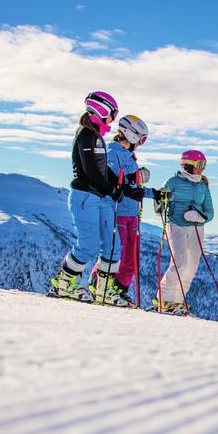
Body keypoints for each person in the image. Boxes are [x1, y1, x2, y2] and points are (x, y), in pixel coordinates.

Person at [49, 91, 126, 303]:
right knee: (88, 244)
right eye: (113, 113)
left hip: (99, 198)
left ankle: (102, 290)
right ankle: (64, 284)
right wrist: (111, 189)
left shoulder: (97, 136)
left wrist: (120, 186)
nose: (114, 118)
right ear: (103, 110)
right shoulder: (86, 134)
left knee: (112, 245)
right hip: (85, 197)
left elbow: (103, 170)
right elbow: (91, 171)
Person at [94, 114, 151, 307]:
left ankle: (119, 289)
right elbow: (117, 182)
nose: (142, 143)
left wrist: (156, 194)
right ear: (132, 135)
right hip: (117, 210)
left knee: (131, 259)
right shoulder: (112, 152)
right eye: (142, 139)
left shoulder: (129, 156)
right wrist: (134, 179)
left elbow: (134, 186)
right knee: (115, 252)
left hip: (132, 213)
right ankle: (99, 285)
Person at [154, 150, 214, 315]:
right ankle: (164, 299)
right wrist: (161, 201)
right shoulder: (173, 181)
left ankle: (178, 301)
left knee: (192, 266)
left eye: (204, 165)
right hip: (176, 225)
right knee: (180, 262)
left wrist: (201, 217)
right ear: (188, 164)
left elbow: (210, 211)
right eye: (199, 165)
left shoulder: (203, 185)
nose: (202, 169)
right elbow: (159, 207)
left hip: (196, 227)